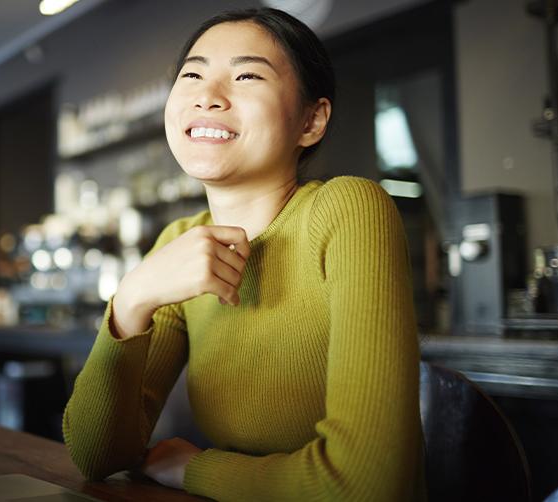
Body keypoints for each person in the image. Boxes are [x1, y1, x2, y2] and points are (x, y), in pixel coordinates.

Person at [62, 7, 426, 501]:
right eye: (191, 75)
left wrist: (196, 470)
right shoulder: (180, 240)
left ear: (312, 120)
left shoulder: (347, 208)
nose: (207, 97)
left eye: (247, 75)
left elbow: (363, 485)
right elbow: (96, 456)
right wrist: (131, 299)